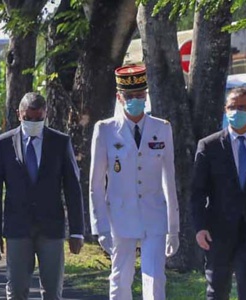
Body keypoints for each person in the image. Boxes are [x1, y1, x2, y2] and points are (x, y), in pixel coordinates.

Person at [89, 65, 180, 300]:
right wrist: (100, 227)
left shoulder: (162, 128)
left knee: (155, 278)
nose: (135, 101)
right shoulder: (106, 130)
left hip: (154, 212)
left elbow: (169, 179)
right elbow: (96, 184)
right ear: (120, 98)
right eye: (130, 96)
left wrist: (174, 227)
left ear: (146, 95)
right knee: (120, 277)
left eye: (140, 95)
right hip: (120, 215)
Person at [0, 93, 85, 300]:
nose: (33, 122)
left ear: (46, 114)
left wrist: (77, 231)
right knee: (16, 291)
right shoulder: (3, 144)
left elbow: (72, 188)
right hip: (17, 228)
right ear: (18, 115)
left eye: (38, 118)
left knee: (52, 292)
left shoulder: (60, 142)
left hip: (51, 228)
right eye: (28, 118)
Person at [191, 87, 246, 300]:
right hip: (218, 232)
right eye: (231, 107)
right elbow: (197, 191)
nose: (236, 112)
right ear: (225, 110)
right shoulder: (209, 146)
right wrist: (200, 227)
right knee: (217, 291)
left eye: (242, 107)